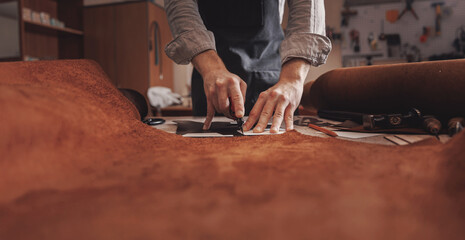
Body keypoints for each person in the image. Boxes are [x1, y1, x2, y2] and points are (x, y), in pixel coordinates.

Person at [164, 0, 331, 133]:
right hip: (209, 78)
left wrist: (293, 79)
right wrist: (211, 68)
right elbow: (180, 3)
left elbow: (308, 4)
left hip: (276, 81)